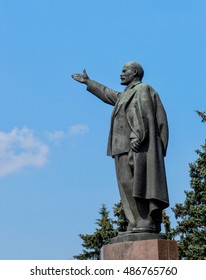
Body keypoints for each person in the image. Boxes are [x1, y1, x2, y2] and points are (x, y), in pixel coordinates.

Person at [71, 62, 169, 234]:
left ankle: (145, 221)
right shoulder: (125, 94)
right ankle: (134, 221)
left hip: (136, 146)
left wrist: (138, 136)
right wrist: (89, 82)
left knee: (139, 184)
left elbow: (144, 115)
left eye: (125, 71)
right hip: (120, 147)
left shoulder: (143, 89)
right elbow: (109, 95)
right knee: (126, 185)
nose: (121, 74)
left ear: (135, 72)